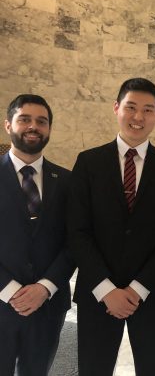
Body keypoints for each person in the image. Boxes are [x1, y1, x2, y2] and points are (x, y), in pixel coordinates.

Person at [67, 78, 155, 376]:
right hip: (98, 293)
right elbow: (78, 230)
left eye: (148, 110)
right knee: (94, 368)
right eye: (131, 107)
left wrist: (137, 288)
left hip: (149, 292)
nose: (138, 117)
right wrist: (107, 290)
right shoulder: (88, 162)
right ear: (116, 108)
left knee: (152, 368)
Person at [0, 94, 74, 375]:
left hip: (48, 305)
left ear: (49, 129)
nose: (34, 126)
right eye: (25, 119)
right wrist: (11, 291)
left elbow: (75, 241)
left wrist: (45, 287)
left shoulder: (67, 181)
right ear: (8, 125)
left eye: (41, 121)